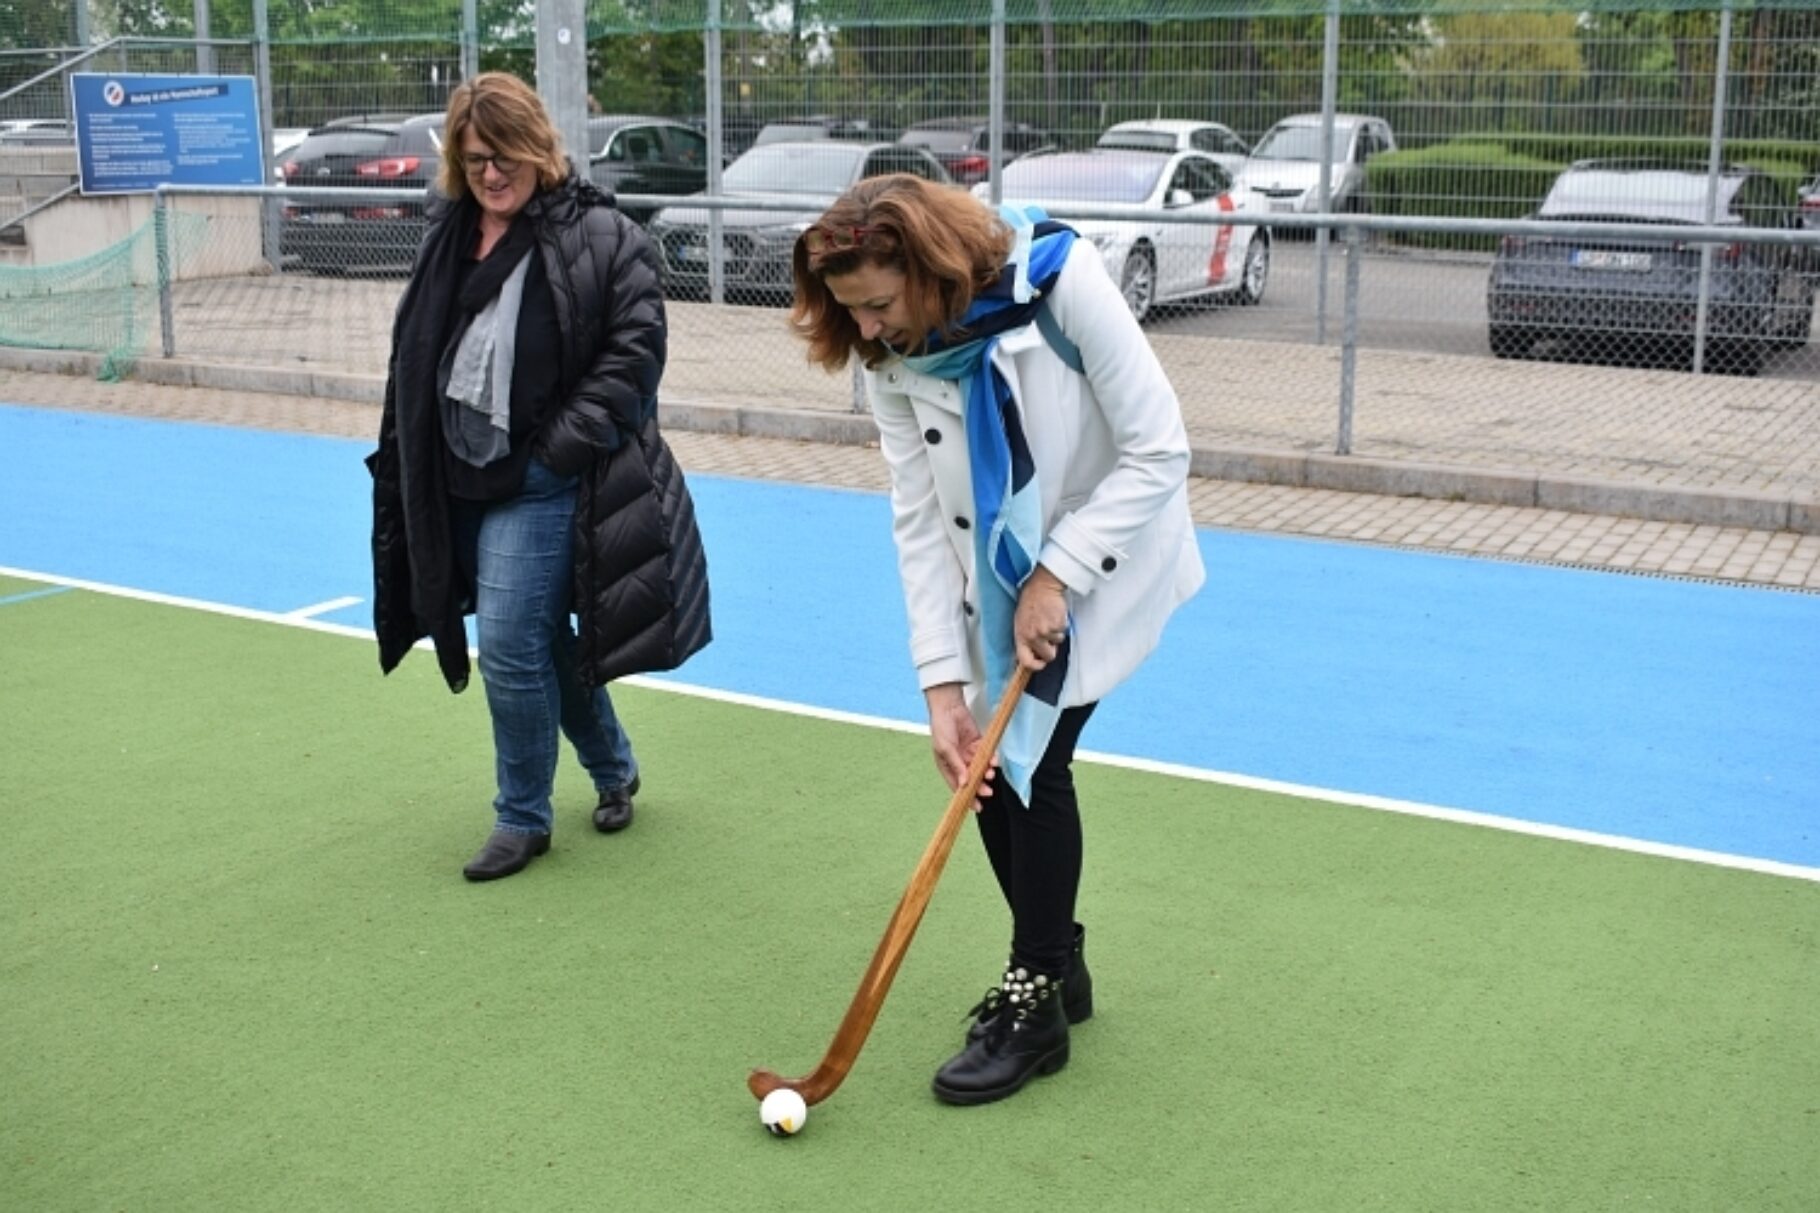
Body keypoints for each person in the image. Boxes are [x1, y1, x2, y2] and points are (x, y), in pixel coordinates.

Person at [789, 175, 1205, 1105]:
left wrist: (1057, 573)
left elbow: (1161, 447)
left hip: (1107, 548)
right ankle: (1061, 964)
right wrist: (942, 685)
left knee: (1034, 764)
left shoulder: (1062, 282)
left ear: (929, 266)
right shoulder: (892, 350)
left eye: (878, 305)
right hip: (994, 577)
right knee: (982, 765)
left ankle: (1036, 1003)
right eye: (848, 311)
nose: (865, 331)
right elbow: (919, 515)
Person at [368, 72, 667, 882]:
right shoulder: (449, 232)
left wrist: (556, 450)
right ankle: (614, 765)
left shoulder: (599, 233)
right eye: (473, 160)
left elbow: (635, 354)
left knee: (506, 641)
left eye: (502, 156)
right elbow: (417, 349)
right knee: (539, 640)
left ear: (538, 147)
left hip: (537, 479)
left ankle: (521, 816)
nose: (490, 174)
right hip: (454, 471)